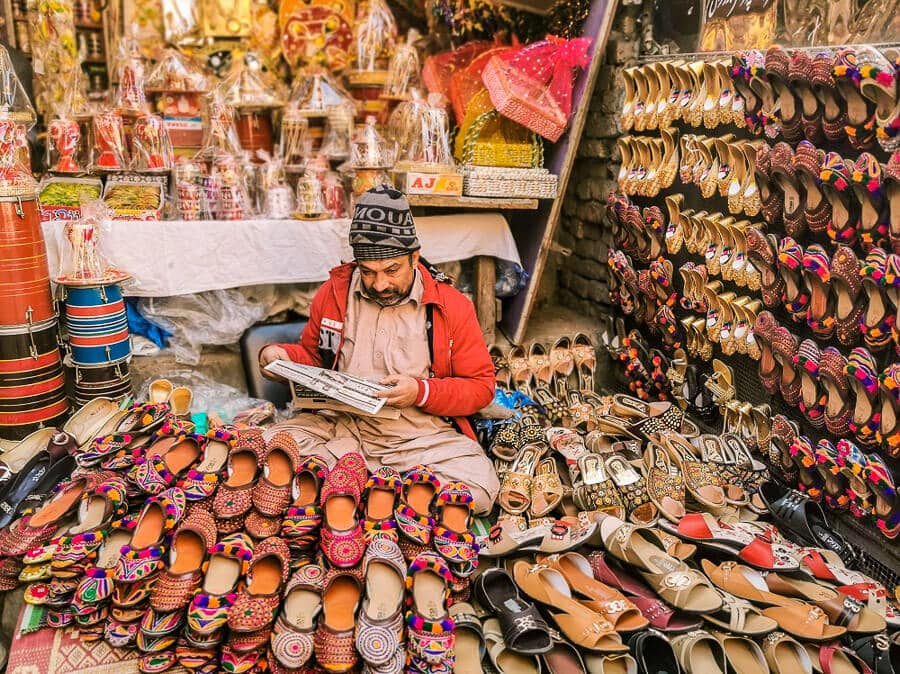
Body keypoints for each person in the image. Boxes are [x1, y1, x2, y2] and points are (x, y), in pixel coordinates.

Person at [259, 185, 500, 512]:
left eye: (392, 270)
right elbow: (315, 358)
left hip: (416, 438)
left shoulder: (451, 307)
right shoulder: (334, 294)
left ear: (415, 257)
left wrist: (420, 391)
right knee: (264, 450)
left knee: (480, 484)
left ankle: (349, 496)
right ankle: (386, 499)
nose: (380, 284)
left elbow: (480, 387)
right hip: (338, 428)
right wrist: (282, 358)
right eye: (368, 272)